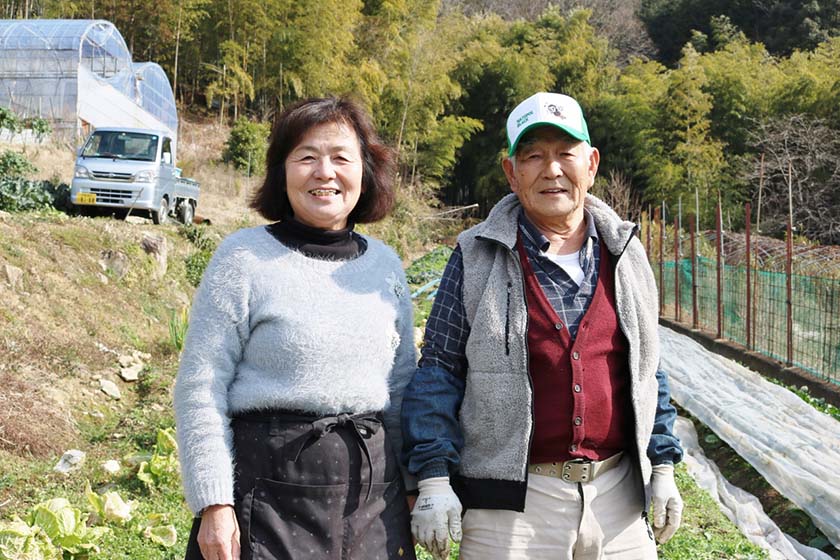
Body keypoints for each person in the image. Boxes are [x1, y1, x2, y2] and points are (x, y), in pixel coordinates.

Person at [401, 92, 684, 560]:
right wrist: (433, 477)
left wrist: (663, 464)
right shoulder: (476, 256)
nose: (551, 170)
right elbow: (438, 370)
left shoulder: (625, 253)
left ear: (591, 164)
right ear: (512, 173)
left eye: (564, 154)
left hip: (618, 498)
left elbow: (647, 369)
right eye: (533, 156)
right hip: (511, 510)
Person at [174, 97, 417, 560]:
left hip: (371, 501)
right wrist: (214, 502)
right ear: (281, 171)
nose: (324, 172)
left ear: (365, 171)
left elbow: (402, 386)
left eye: (341, 157)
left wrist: (411, 487)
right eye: (307, 156)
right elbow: (201, 385)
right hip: (264, 498)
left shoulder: (386, 267)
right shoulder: (243, 259)